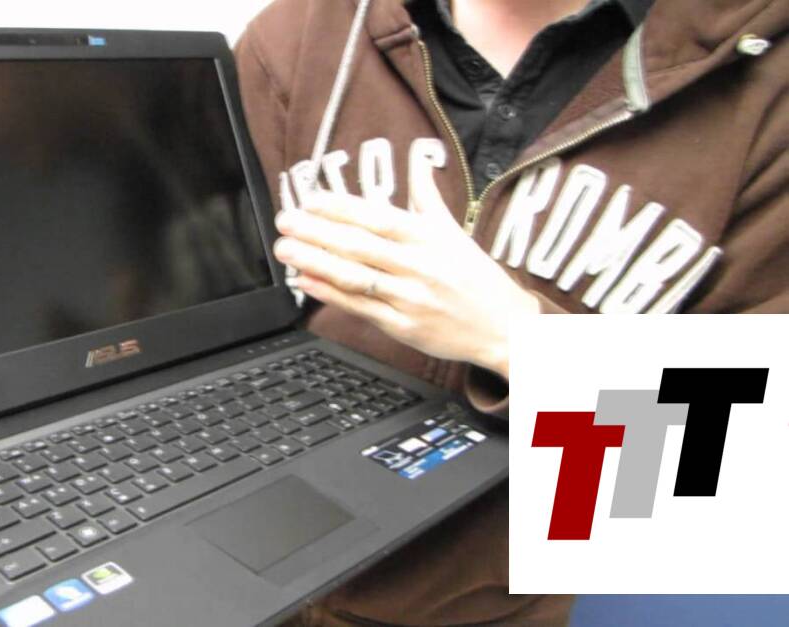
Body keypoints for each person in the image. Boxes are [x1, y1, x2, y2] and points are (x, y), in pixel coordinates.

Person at [234, 0, 788, 624]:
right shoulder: (297, 34)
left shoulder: (767, 81)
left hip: (513, 606)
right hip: (258, 579)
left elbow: (737, 483)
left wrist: (515, 341)